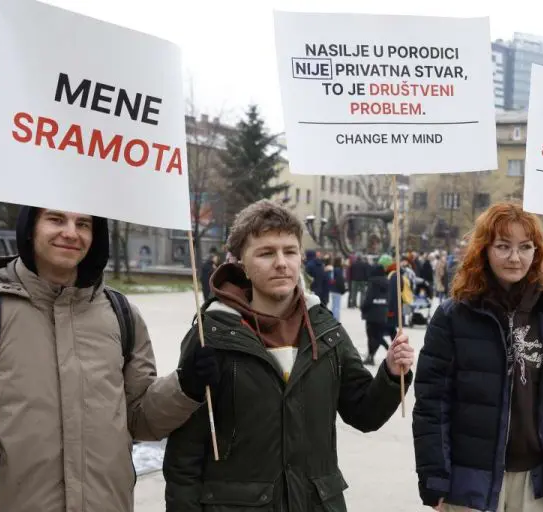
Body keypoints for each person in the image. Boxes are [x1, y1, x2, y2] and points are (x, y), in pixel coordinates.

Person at [0, 207, 213, 512]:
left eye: (83, 223)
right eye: (56, 219)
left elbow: (141, 421)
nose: (71, 233)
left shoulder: (122, 315)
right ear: (30, 228)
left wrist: (185, 386)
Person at [162, 200, 414, 512]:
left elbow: (364, 413)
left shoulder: (324, 329)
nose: (281, 262)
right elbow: (184, 455)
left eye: (290, 251)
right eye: (267, 253)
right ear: (242, 264)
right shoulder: (212, 334)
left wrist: (391, 375)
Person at [412, 203, 543, 512]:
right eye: (503, 246)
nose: (515, 257)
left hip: (537, 482)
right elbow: (432, 404)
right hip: (470, 481)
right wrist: (434, 477)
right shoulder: (454, 316)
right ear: (484, 249)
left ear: (537, 252)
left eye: (525, 247)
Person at [361, 261, 390, 366]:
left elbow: (368, 299)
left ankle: (371, 356)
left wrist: (363, 308)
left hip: (372, 314)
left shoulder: (372, 283)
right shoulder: (388, 283)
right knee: (378, 336)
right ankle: (372, 355)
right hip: (383, 313)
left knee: (371, 336)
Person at [328, 256, 347, 321]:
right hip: (337, 290)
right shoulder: (338, 270)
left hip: (333, 289)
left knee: (333, 305)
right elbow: (340, 281)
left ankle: (332, 318)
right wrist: (343, 289)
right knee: (337, 306)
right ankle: (335, 319)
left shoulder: (333, 269)